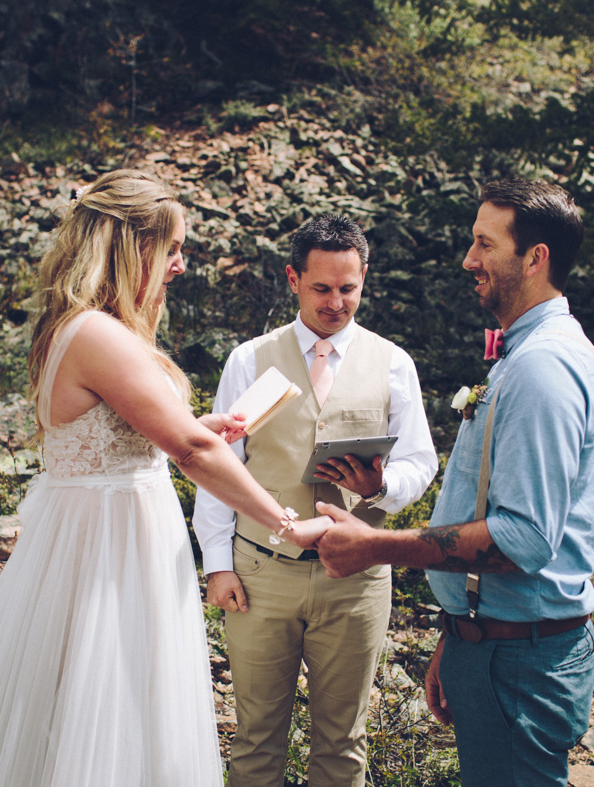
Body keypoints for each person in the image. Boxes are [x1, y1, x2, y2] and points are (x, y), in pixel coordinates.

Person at [0, 169, 330, 787]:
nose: (180, 265)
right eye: (171, 248)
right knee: (108, 698)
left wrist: (189, 423)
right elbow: (193, 452)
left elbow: (131, 434)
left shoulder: (81, 326)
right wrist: (287, 522)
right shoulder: (97, 332)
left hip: (111, 533)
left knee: (103, 700)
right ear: (131, 247)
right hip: (108, 548)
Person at [315, 179, 594, 787]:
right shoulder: (524, 352)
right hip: (495, 642)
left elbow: (521, 540)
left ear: (535, 258)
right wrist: (461, 629)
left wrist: (375, 547)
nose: (469, 260)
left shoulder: (543, 367)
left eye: (484, 244)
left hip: (521, 661)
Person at [192, 214, 437, 787]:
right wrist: (218, 564)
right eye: (322, 287)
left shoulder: (395, 363)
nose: (335, 302)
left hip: (356, 581)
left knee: (343, 742)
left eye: (347, 288)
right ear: (293, 279)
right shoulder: (249, 359)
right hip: (259, 575)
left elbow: (421, 462)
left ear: (364, 279)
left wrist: (382, 487)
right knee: (254, 738)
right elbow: (219, 464)